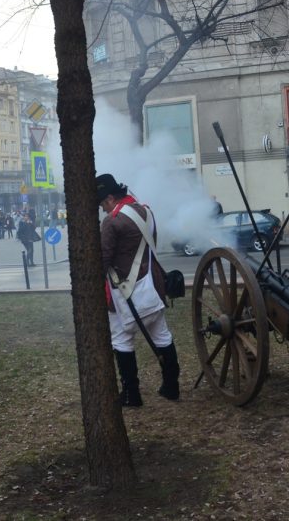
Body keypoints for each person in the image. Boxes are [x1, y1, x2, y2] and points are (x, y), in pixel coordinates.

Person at [97, 173, 180, 406]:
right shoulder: (146, 211)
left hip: (125, 292)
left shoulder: (112, 222)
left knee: (121, 340)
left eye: (102, 203)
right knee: (162, 335)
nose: (102, 209)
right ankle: (171, 386)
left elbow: (102, 260)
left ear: (110, 198)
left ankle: (131, 394)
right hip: (153, 287)